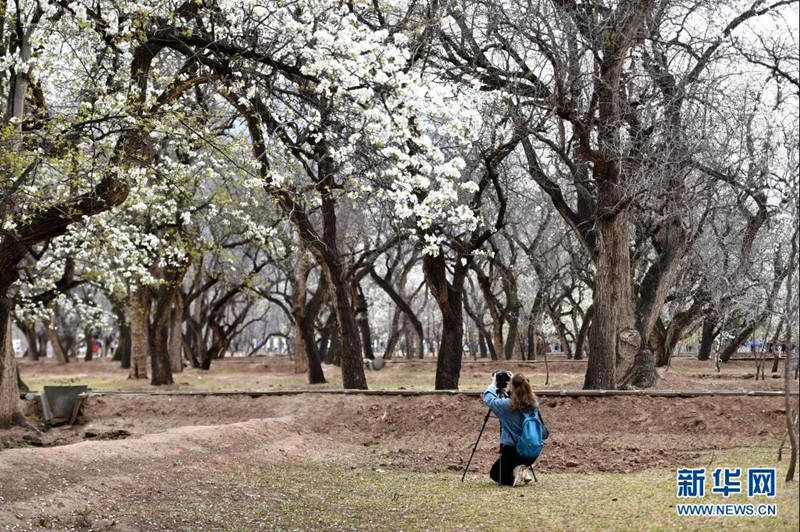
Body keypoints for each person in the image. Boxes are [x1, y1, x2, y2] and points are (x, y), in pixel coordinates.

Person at [482, 372, 539, 486]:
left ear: (512, 386)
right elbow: (522, 392)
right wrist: (516, 380)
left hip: (514, 450)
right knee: (508, 466)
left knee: (495, 474)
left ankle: (517, 474)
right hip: (532, 450)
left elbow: (489, 399)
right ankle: (521, 468)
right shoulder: (534, 403)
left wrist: (493, 383)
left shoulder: (507, 405)